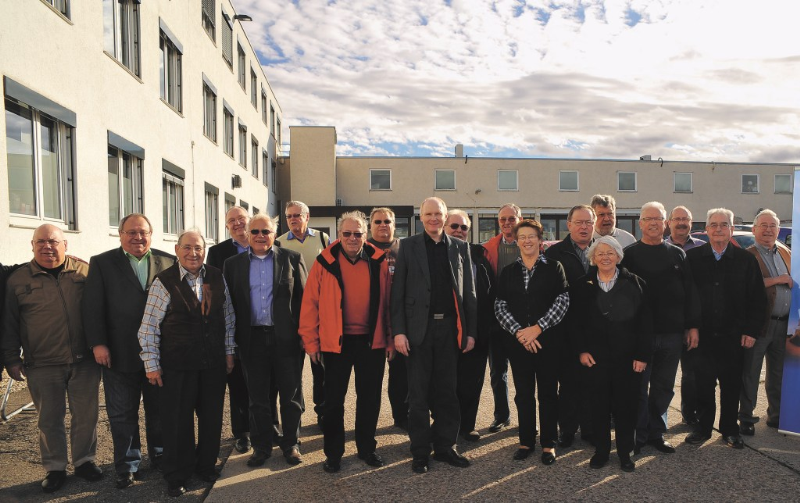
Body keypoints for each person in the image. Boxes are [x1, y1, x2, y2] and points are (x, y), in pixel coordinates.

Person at [2, 224, 101, 493]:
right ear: (32, 246)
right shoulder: (18, 280)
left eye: (53, 241)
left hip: (84, 361)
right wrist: (11, 358)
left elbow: (100, 312)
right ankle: (55, 467)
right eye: (41, 242)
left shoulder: (84, 272)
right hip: (42, 362)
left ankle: (84, 462)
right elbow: (9, 324)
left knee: (86, 416)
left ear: (65, 245)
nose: (47, 246)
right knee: (48, 419)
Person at [138, 230, 236, 497]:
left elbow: (228, 318)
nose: (194, 253)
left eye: (199, 248)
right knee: (177, 421)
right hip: (177, 365)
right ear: (177, 250)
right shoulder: (164, 281)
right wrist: (152, 363)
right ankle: (177, 473)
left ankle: (206, 466)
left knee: (212, 418)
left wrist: (229, 353)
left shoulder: (216, 276)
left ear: (205, 250)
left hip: (212, 363)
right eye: (188, 248)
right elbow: (148, 327)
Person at [83, 214, 175, 489]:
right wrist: (97, 343)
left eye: (143, 232)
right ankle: (127, 465)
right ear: (120, 234)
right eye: (131, 232)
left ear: (151, 234)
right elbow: (92, 306)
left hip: (159, 355)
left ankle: (159, 455)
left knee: (159, 410)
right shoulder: (102, 263)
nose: (138, 237)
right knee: (122, 413)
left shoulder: (168, 261)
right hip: (118, 353)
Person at [300, 211, 393, 472]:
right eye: (347, 233)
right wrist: (311, 342)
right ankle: (333, 454)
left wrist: (388, 339)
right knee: (333, 402)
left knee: (370, 399)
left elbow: (388, 304)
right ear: (339, 235)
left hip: (370, 342)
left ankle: (367, 449)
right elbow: (310, 305)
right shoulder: (324, 261)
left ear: (366, 235)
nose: (353, 238)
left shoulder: (379, 260)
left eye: (358, 234)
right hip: (335, 344)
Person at [391, 197, 477, 474]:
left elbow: (470, 294)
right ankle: (419, 451)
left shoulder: (461, 248)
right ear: (421, 216)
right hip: (418, 331)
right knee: (418, 395)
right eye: (428, 214)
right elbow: (397, 294)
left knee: (447, 393)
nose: (433, 219)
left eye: (438, 214)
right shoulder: (408, 246)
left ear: (444, 215)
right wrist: (400, 332)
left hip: (450, 330)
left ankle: (445, 446)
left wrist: (470, 332)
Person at [223, 214, 306, 468]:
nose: (261, 236)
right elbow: (229, 306)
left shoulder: (291, 258)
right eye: (255, 231)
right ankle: (261, 447)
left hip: (286, 340)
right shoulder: (232, 264)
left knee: (291, 396)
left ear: (274, 234)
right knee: (257, 398)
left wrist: (305, 337)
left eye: (266, 231)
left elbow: (304, 301)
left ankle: (291, 444)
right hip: (252, 340)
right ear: (248, 234)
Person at [621, 202, 699, 455]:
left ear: (665, 223)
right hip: (640, 337)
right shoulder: (628, 255)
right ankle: (639, 434)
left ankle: (657, 432)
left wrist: (692, 326)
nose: (653, 223)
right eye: (648, 218)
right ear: (640, 223)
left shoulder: (678, 254)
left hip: (672, 334)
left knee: (664, 387)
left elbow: (690, 294)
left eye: (658, 218)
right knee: (638, 388)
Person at [684, 209, 766, 449]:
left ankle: (730, 430)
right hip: (703, 336)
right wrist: (691, 327)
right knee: (703, 385)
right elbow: (687, 297)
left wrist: (751, 331)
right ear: (706, 229)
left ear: (731, 229)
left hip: (734, 337)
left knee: (731, 386)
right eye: (714, 225)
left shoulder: (746, 260)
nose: (718, 229)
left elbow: (757, 299)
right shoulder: (694, 258)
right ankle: (703, 428)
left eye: (724, 225)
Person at [574, 235, 651, 472]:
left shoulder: (636, 283)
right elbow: (574, 324)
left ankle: (626, 452)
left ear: (618, 256)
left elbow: (646, 323)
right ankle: (602, 451)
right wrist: (581, 350)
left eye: (610, 253)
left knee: (625, 406)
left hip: (627, 359)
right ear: (593, 258)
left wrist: (642, 355)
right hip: (595, 358)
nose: (605, 257)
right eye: (600, 254)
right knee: (598, 405)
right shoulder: (581, 284)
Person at [494, 219, 569, 465]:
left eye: (531, 236)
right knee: (523, 394)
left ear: (540, 239)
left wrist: (537, 329)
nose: (527, 241)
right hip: (519, 345)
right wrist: (520, 333)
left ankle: (548, 443)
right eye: (522, 237)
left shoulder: (554, 267)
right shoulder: (509, 272)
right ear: (517, 241)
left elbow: (562, 301)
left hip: (548, 343)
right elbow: (500, 305)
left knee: (548, 393)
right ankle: (526, 441)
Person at [544, 204, 596, 447]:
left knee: (592, 381)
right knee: (568, 383)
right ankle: (566, 429)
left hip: (596, 329)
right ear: (569, 225)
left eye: (588, 222)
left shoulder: (604, 249)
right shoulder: (555, 254)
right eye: (579, 222)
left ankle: (589, 428)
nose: (584, 227)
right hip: (564, 329)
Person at [206, 206, 257, 454]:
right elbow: (212, 290)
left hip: (261, 325)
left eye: (241, 219)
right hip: (232, 326)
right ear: (226, 226)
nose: (237, 224)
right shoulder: (217, 253)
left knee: (266, 381)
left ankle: (269, 425)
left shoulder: (263, 242)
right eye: (231, 221)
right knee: (236, 381)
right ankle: (243, 432)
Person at [276, 200, 330, 428]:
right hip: (292, 313)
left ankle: (322, 411)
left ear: (307, 217)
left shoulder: (322, 239)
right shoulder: (277, 242)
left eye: (298, 215)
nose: (293, 219)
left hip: (319, 313)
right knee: (293, 371)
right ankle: (296, 415)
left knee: (321, 368)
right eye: (289, 216)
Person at [739, 209, 792, 434]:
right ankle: (747, 418)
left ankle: (776, 416)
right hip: (760, 325)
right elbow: (744, 288)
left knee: (779, 373)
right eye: (764, 225)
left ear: (778, 230)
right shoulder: (747, 255)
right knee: (751, 372)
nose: (768, 230)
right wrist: (778, 280)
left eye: (773, 226)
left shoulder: (786, 252)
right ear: (754, 229)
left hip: (785, 324)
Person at [444, 210, 494, 442]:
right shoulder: (437, 254)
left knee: (472, 382)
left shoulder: (478, 257)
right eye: (454, 226)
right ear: (444, 227)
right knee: (447, 384)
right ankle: (447, 427)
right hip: (446, 332)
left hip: (477, 331)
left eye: (463, 228)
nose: (459, 231)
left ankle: (468, 425)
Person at [367, 207, 407, 431]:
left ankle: (401, 417)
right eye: (378, 221)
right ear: (370, 225)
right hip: (372, 319)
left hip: (400, 317)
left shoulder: (405, 248)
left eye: (388, 221)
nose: (383, 225)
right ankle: (368, 422)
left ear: (394, 225)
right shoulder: (363, 248)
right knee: (372, 377)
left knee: (400, 375)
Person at [482, 203, 520, 433]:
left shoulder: (533, 245)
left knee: (524, 374)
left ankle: (526, 417)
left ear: (519, 219)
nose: (507, 223)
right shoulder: (489, 248)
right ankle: (501, 415)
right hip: (497, 322)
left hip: (524, 323)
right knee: (498, 372)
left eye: (511, 219)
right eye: (503, 219)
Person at [665, 205, 705, 426]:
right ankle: (657, 419)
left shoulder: (702, 248)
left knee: (691, 374)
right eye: (677, 218)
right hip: (667, 324)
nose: (681, 222)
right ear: (668, 222)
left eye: (685, 219)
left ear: (691, 222)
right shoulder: (659, 247)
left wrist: (694, 324)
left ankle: (690, 414)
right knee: (663, 376)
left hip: (692, 322)